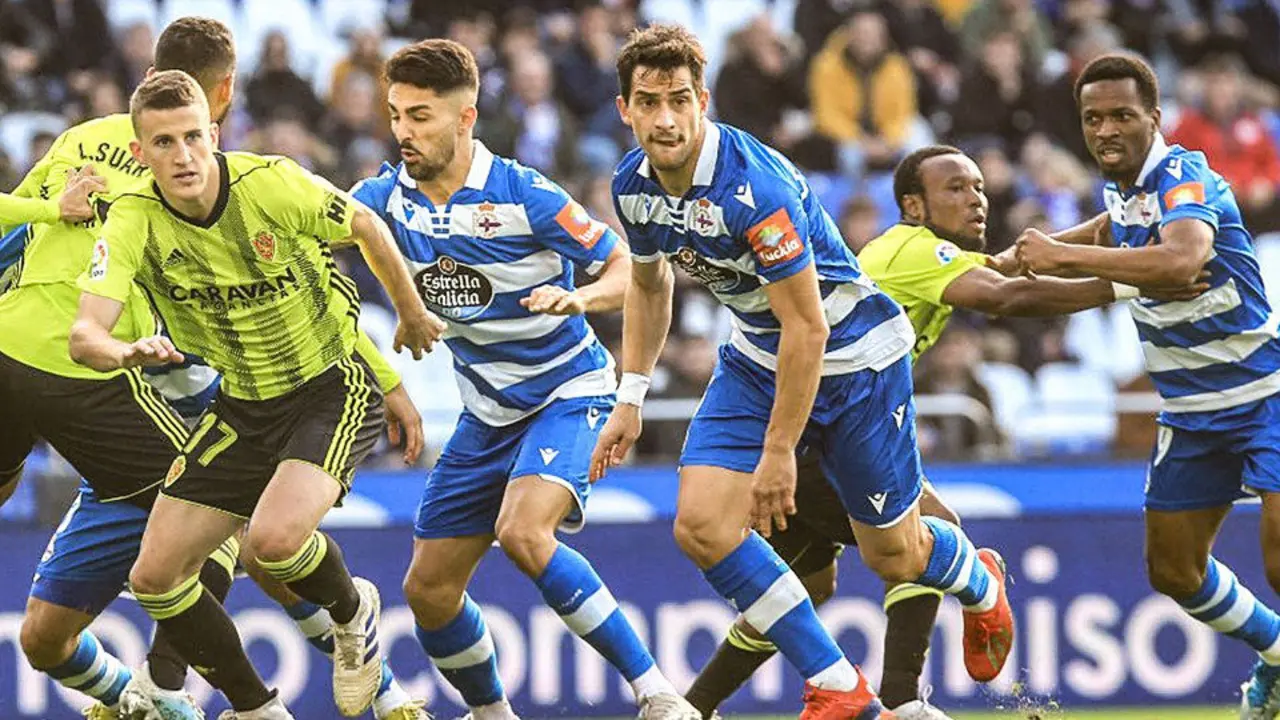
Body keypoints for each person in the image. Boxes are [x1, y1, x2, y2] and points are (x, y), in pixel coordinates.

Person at [1, 17, 432, 720]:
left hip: (92, 374)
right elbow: (88, 327)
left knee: (262, 541)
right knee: (197, 561)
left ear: (213, 126)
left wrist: (395, 350)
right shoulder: (136, 210)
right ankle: (177, 696)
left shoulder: (249, 181)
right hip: (142, 391)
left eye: (191, 137)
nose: (180, 154)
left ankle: (248, 685)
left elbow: (335, 268)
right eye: (163, 143)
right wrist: (120, 348)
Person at [683, 143, 1207, 719]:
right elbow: (1012, 294)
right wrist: (1138, 285)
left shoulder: (937, 256)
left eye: (979, 187)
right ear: (912, 205)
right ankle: (904, 696)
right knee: (920, 540)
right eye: (955, 188)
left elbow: (1014, 265)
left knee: (807, 586)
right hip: (807, 425)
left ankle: (696, 707)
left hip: (831, 425)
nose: (975, 199)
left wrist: (1109, 234)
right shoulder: (907, 249)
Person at [593, 24, 1014, 720]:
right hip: (758, 357)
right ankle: (837, 682)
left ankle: (979, 575)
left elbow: (808, 325)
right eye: (648, 102)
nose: (664, 119)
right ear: (624, 108)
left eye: (678, 100)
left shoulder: (753, 188)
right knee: (700, 524)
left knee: (896, 558)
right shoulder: (631, 186)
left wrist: (780, 452)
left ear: (703, 101)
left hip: (853, 366)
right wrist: (630, 394)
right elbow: (647, 286)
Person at [349, 38, 700, 720]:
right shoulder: (384, 197)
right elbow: (315, 219)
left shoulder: (524, 193)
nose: (403, 132)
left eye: (420, 116)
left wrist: (581, 299)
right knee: (428, 590)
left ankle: (657, 692)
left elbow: (629, 269)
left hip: (568, 390)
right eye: (395, 114)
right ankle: (492, 714)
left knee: (524, 532)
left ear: (465, 118)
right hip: (488, 414)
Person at [1013, 52, 1280, 718]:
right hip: (1191, 414)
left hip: (1265, 397)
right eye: (1093, 118)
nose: (1105, 130)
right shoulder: (1124, 193)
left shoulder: (1182, 170)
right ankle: (1276, 655)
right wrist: (1005, 270)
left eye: (1123, 116)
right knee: (1173, 572)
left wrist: (1058, 253)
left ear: (1155, 118)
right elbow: (1112, 235)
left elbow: (1182, 255)